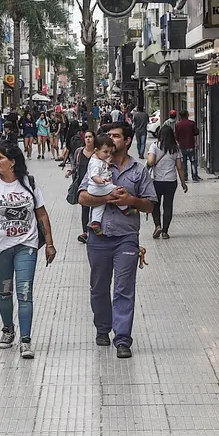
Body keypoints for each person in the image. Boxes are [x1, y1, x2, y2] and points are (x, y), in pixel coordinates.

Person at [79, 122, 156, 358]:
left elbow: (150, 205)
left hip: (126, 237)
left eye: (116, 136)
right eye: (109, 136)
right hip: (98, 236)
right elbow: (82, 197)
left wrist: (130, 200)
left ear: (128, 140)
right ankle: (103, 327)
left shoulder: (138, 171)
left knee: (124, 288)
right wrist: (106, 199)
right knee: (99, 287)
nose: (111, 140)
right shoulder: (97, 164)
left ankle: (122, 339)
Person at [0, 142, 56, 359]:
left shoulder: (28, 183)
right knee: (5, 291)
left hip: (26, 246)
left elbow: (41, 213)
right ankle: (8, 329)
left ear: (12, 162)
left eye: (1, 158)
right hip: (1, 248)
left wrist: (49, 243)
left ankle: (26, 340)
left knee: (24, 292)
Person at [147, 125, 187, 240]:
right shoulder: (176, 148)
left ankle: (157, 226)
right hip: (171, 181)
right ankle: (165, 232)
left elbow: (151, 161)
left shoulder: (154, 146)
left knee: (156, 205)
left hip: (156, 181)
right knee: (168, 206)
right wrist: (183, 183)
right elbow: (180, 167)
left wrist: (149, 161)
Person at [84, 134, 129, 235]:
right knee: (117, 191)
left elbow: (102, 166)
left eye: (110, 152)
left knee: (100, 205)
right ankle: (125, 208)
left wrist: (107, 164)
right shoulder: (95, 163)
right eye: (105, 152)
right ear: (96, 150)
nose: (108, 154)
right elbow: (94, 176)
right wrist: (101, 180)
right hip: (98, 187)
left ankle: (95, 222)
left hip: (96, 189)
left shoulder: (99, 159)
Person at [68, 130, 97, 244]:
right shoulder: (79, 151)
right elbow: (75, 165)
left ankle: (94, 230)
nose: (88, 139)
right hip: (82, 185)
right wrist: (71, 171)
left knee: (95, 207)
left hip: (95, 184)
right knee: (85, 208)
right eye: (86, 137)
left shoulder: (98, 152)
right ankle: (85, 232)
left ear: (94, 138)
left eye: (90, 137)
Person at [174, 110, 200, 182]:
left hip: (182, 146)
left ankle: (185, 177)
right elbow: (196, 132)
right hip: (191, 145)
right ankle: (194, 176)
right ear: (187, 115)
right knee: (193, 161)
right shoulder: (191, 123)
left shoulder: (178, 125)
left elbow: (176, 136)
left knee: (184, 162)